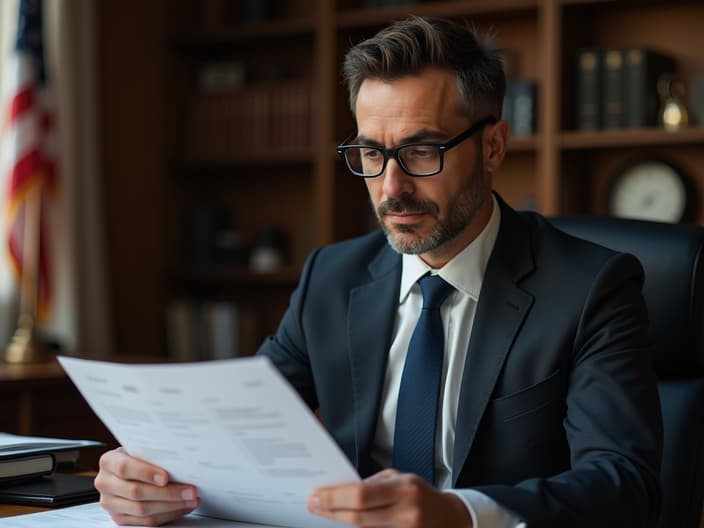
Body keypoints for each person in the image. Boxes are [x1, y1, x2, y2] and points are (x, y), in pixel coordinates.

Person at [95, 16, 662, 527]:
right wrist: (150, 472)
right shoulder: (332, 276)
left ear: (492, 147)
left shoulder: (591, 287)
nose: (392, 188)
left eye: (421, 151)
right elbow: (236, 422)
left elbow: (624, 484)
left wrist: (461, 515)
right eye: (371, 154)